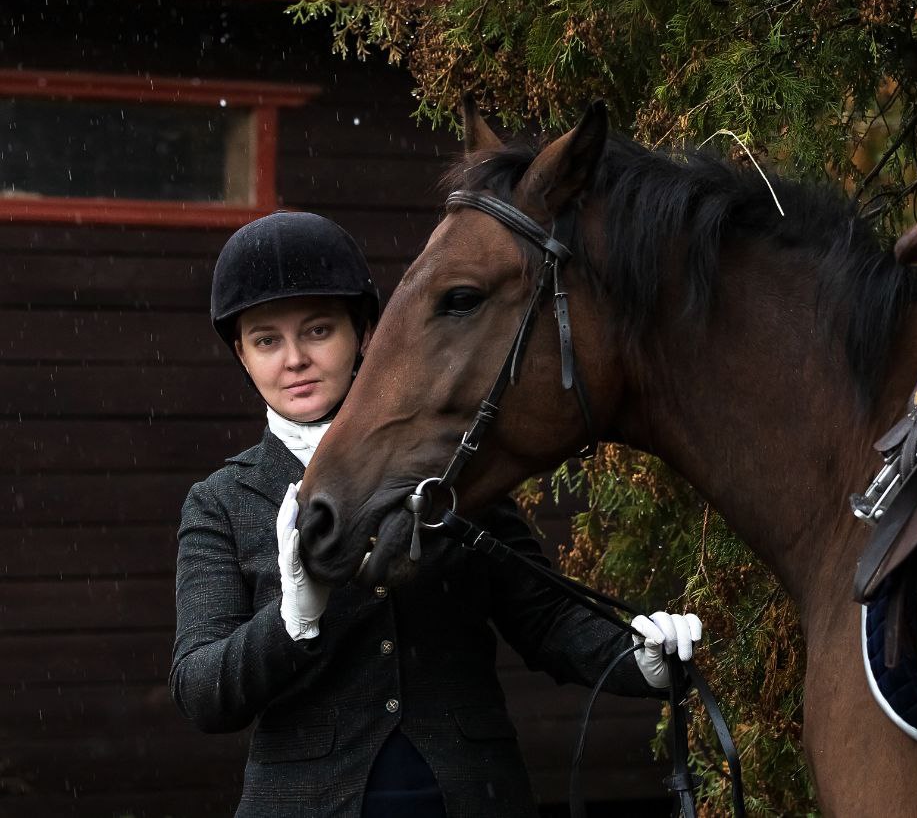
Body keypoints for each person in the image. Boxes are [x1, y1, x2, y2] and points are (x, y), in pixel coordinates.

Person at [169, 211, 702, 817]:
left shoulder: (448, 465)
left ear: (365, 333)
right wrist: (293, 621)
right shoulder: (221, 501)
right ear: (241, 353)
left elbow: (545, 619)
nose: (294, 360)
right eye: (267, 340)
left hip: (470, 795)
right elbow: (202, 690)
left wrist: (639, 661)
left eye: (318, 331)